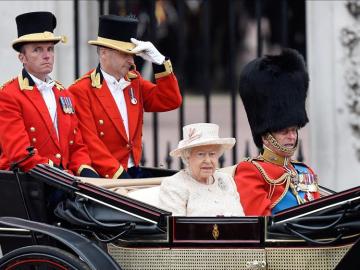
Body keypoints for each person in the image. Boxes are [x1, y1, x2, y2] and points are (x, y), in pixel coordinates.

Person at [69, 15, 182, 179]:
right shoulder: (81, 90)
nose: (131, 60)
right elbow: (91, 143)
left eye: (133, 54)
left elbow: (170, 100)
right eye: (124, 54)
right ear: (104, 53)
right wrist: (119, 176)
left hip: (133, 171)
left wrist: (160, 62)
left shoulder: (133, 82)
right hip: (104, 177)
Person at [0, 11, 98, 177]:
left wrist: (87, 172)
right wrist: (62, 175)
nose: (47, 56)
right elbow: (20, 154)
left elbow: (76, 146)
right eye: (37, 50)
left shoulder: (63, 94)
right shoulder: (9, 95)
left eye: (50, 49)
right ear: (22, 57)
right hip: (28, 184)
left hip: (63, 180)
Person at [234, 48, 320, 216]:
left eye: (294, 129)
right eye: (284, 131)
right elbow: (261, 226)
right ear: (266, 135)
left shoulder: (305, 171)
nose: (292, 136)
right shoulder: (251, 172)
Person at [158, 123, 244, 216]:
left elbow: (241, 219)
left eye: (212, 154)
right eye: (200, 154)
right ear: (187, 157)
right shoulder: (174, 185)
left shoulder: (226, 180)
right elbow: (175, 228)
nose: (208, 160)